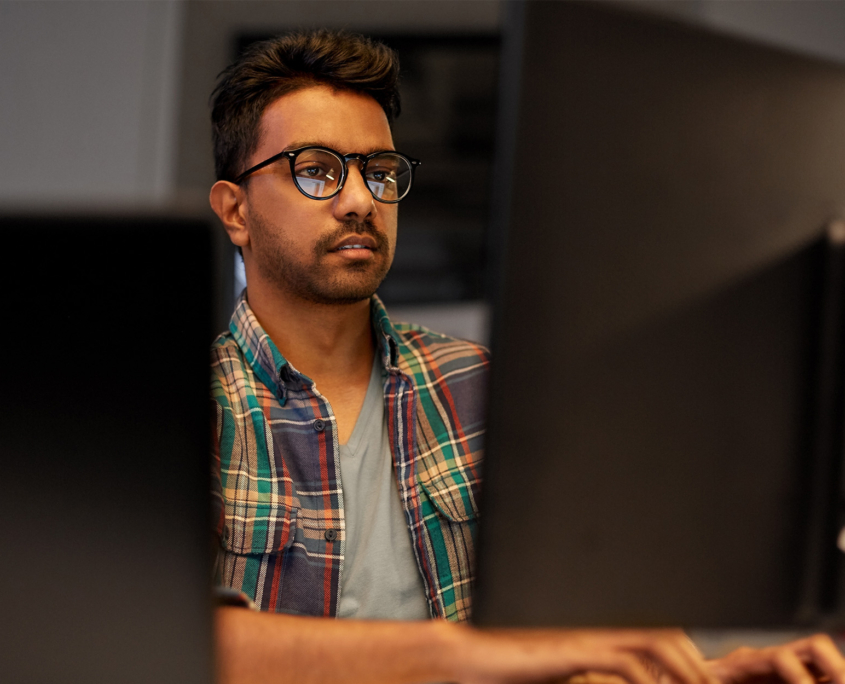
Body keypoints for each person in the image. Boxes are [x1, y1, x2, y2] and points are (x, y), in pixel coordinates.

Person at [207, 29, 845, 684]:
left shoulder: (489, 390)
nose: (359, 200)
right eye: (317, 170)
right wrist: (454, 655)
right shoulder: (177, 414)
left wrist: (713, 675)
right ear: (235, 211)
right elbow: (180, 640)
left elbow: (585, 640)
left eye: (379, 172)